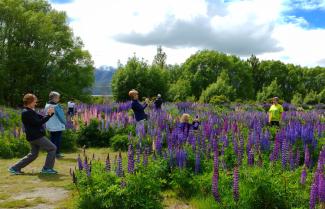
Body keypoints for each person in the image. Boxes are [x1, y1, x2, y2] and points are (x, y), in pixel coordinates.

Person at [8, 94, 58, 175]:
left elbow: (41, 117)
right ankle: (47, 168)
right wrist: (48, 115)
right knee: (52, 148)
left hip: (33, 136)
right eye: (35, 101)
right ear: (29, 102)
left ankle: (15, 168)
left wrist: (50, 114)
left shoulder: (30, 111)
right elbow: (38, 123)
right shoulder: (27, 112)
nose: (36, 103)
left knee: (33, 154)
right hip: (36, 136)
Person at [45, 91, 66, 158]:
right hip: (57, 126)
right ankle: (56, 153)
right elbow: (61, 117)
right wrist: (65, 122)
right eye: (58, 98)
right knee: (57, 140)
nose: (58, 99)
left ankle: (54, 153)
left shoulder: (47, 105)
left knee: (53, 139)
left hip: (51, 125)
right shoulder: (55, 106)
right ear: (54, 98)